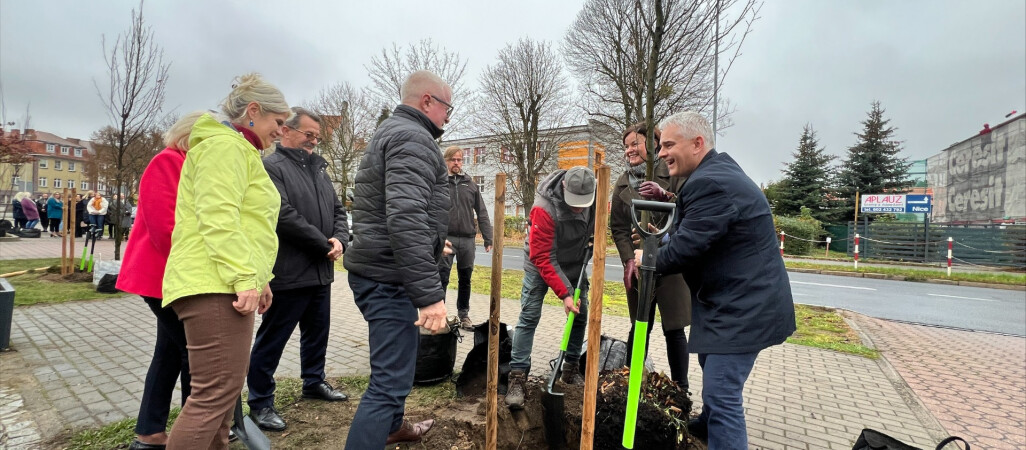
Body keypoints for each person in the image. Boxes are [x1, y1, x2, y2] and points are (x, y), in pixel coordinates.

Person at [636, 111, 795, 449]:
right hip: (730, 300)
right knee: (711, 364)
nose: (661, 153)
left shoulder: (709, 183)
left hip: (743, 308)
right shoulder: (713, 173)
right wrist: (663, 240)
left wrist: (646, 259)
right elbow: (695, 231)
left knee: (722, 393)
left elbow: (686, 249)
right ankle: (709, 425)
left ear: (697, 143)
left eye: (668, 145)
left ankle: (720, 428)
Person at [161, 73, 289, 449]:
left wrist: (260, 279)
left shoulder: (237, 149)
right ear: (254, 111)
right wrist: (244, 278)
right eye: (278, 121)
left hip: (222, 281)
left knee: (222, 395)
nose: (281, 131)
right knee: (213, 396)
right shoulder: (224, 148)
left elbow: (247, 225)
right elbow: (218, 217)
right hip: (214, 283)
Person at [342, 70, 452, 448]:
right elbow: (405, 217)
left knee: (397, 369)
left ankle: (392, 428)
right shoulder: (412, 138)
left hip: (383, 268)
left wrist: (434, 242)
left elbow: (396, 209)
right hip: (387, 277)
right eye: (447, 107)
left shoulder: (394, 131)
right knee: (388, 383)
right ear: (427, 101)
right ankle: (379, 428)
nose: (448, 117)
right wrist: (430, 296)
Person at [246, 107, 351, 431]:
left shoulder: (319, 170)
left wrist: (340, 239)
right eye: (309, 134)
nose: (314, 141)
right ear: (286, 131)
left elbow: (338, 210)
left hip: (320, 271)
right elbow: (282, 214)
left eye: (317, 137)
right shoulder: (271, 167)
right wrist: (323, 243)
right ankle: (260, 402)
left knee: (317, 333)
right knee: (272, 339)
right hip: (288, 272)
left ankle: (313, 381)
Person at [117, 111, 205, 450]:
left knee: (169, 352)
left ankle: (149, 431)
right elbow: (165, 227)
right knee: (194, 352)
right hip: (163, 275)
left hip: (174, 276)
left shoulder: (192, 165)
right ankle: (195, 429)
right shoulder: (168, 162)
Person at [505, 166, 597, 409]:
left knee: (580, 315)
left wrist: (592, 242)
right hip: (540, 263)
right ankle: (517, 377)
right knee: (529, 315)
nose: (579, 209)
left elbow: (596, 228)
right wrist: (565, 293)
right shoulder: (544, 208)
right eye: (574, 203)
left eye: (583, 204)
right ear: (564, 187)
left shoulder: (594, 197)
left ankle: (570, 369)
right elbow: (543, 256)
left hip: (575, 262)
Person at [610, 122, 691, 391]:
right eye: (626, 146)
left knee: (674, 328)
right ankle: (631, 382)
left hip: (670, 261)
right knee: (639, 325)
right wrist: (628, 260)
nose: (629, 150)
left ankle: (681, 388)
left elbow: (685, 211)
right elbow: (618, 227)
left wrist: (666, 201)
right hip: (638, 265)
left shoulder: (672, 174)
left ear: (653, 144)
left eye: (635, 144)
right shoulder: (623, 182)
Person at [438, 145, 493, 330]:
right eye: (452, 160)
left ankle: (464, 315)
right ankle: (440, 316)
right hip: (446, 238)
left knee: (465, 278)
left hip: (468, 240)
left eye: (459, 160)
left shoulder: (470, 184)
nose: (456, 163)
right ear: (446, 161)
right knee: (442, 277)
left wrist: (488, 237)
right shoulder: (438, 183)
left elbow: (482, 211)